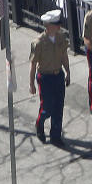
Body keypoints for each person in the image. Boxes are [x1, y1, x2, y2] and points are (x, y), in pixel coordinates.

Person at [28, 9, 71, 146]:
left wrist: (68, 71)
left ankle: (55, 136)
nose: (59, 26)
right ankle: (39, 123)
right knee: (47, 107)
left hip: (58, 75)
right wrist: (31, 84)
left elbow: (64, 56)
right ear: (48, 26)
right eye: (56, 24)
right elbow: (33, 64)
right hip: (45, 78)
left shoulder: (61, 38)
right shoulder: (39, 43)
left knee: (58, 107)